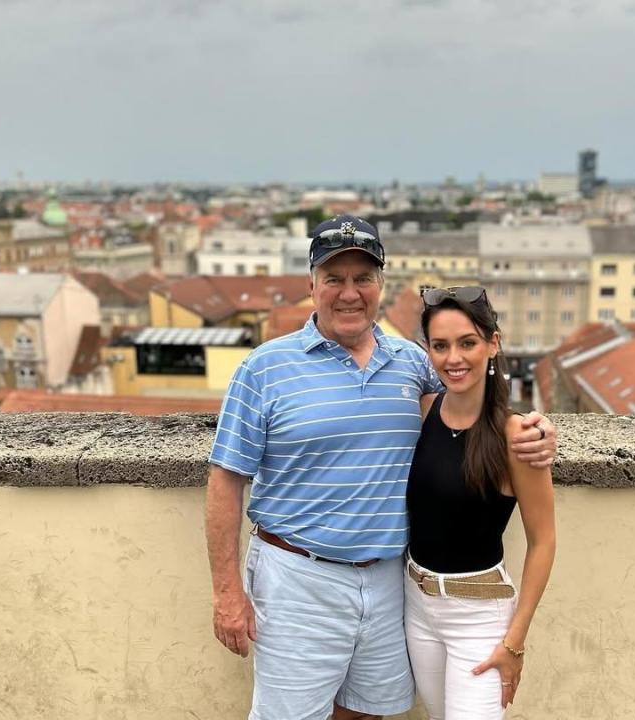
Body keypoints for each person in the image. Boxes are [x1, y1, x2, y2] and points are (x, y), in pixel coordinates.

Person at [205, 216, 557, 720]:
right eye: (334, 279)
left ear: (381, 285)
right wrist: (226, 594)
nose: (350, 293)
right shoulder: (264, 369)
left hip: (392, 584)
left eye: (363, 278)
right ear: (311, 286)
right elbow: (225, 481)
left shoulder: (411, 363)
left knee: (368, 713)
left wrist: (531, 430)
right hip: (299, 581)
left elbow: (461, 423)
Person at [404, 285, 556, 719]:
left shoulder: (518, 438)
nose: (454, 358)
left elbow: (543, 541)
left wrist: (515, 642)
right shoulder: (425, 411)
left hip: (479, 619)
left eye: (467, 343)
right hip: (415, 605)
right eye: (441, 345)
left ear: (493, 343)